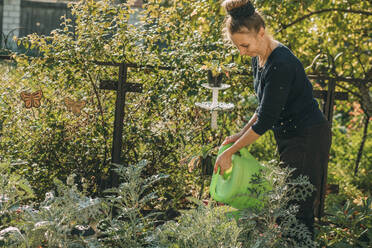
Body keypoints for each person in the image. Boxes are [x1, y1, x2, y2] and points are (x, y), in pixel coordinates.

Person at [213, 0, 332, 237]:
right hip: (291, 137)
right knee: (289, 203)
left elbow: (266, 121)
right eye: (238, 46)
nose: (242, 52)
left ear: (261, 32)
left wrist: (230, 151)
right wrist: (239, 134)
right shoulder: (259, 58)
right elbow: (264, 107)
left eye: (245, 45)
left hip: (308, 137)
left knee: (298, 207)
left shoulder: (281, 64)